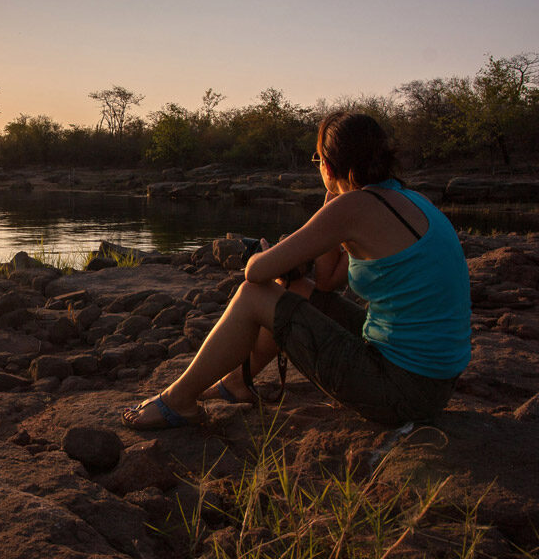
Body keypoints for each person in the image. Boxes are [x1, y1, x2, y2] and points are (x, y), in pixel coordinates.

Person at [121, 112, 471, 429]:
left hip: (401, 392)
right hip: (432, 385)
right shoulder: (404, 199)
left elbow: (254, 274)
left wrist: (270, 255)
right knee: (294, 289)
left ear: (329, 166)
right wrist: (331, 200)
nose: (317, 167)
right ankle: (237, 383)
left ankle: (178, 400)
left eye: (318, 160)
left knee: (254, 295)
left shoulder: (357, 206)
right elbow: (327, 281)